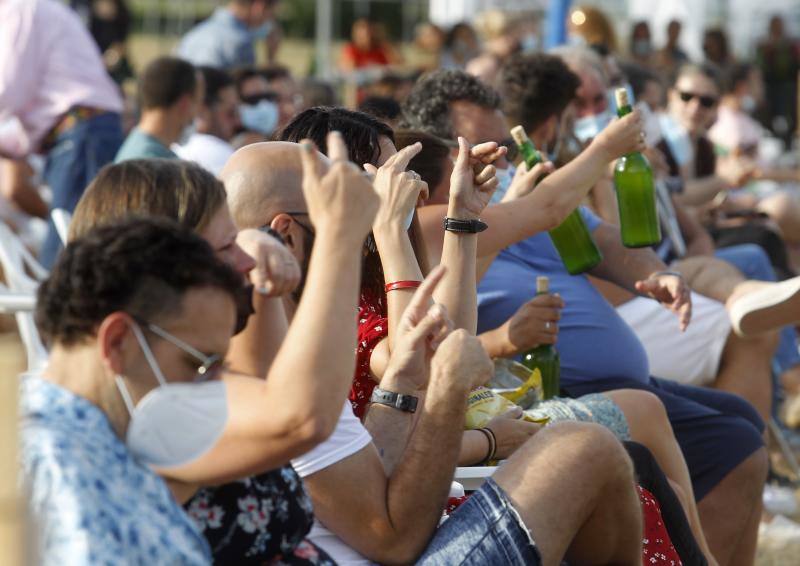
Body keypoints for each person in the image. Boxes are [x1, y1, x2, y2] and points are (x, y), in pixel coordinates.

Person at [401, 65, 768, 566]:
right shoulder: (439, 224)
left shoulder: (490, 205)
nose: (496, 159)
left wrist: (655, 273)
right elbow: (435, 345)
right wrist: (604, 150)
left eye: (499, 143)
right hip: (535, 389)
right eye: (479, 147)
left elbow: (598, 237)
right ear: (438, 157)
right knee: (710, 439)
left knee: (738, 423)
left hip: (566, 390)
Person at [222, 139, 646, 566]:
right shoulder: (274, 360)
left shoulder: (286, 342)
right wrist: (455, 401)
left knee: (623, 457)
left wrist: (402, 384)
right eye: (345, 199)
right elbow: (391, 540)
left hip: (399, 517)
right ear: (286, 234)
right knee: (591, 447)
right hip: (396, 541)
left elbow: (377, 463)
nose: (384, 194)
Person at [21, 217, 242, 563]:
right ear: (119, 342)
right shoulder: (58, 469)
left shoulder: (96, 439)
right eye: (201, 363)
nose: (216, 387)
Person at [0, 0, 124, 267]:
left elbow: (8, 91)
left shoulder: (21, 7)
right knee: (75, 251)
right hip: (82, 131)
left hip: (82, 133)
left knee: (69, 257)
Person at [115, 57, 203, 163]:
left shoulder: (137, 150)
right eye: (197, 102)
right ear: (184, 104)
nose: (197, 114)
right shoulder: (155, 165)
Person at [174, 66, 241, 177]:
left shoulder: (174, 148)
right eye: (231, 112)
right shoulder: (221, 154)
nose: (237, 121)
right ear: (202, 109)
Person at [177, 0, 280, 69]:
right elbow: (249, 91)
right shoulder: (241, 42)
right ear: (259, 7)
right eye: (271, 13)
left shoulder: (194, 34)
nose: (270, 20)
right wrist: (270, 61)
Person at [756, 15, 800, 144]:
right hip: (770, 88)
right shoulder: (763, 44)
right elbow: (759, 65)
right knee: (769, 115)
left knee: (787, 116)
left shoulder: (791, 44)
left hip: (788, 87)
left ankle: (787, 140)